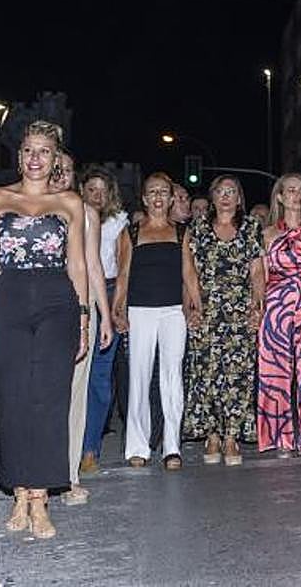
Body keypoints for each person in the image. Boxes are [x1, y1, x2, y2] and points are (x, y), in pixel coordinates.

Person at [0, 120, 88, 539]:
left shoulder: (70, 203)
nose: (36, 158)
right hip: (7, 298)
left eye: (44, 151)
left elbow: (77, 263)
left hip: (56, 300)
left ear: (56, 157)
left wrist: (83, 317)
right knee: (12, 398)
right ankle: (19, 492)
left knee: (48, 396)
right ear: (19, 154)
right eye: (28, 150)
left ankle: (40, 497)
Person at [184, 175, 264, 467]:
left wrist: (257, 306)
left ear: (239, 198)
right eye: (220, 191)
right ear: (212, 197)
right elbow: (189, 270)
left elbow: (257, 271)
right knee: (206, 374)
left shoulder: (251, 227)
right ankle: (212, 435)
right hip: (207, 309)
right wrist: (194, 305)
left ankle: (231, 436)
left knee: (237, 375)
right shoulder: (198, 228)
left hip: (239, 313)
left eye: (232, 191)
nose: (226, 196)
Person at [50, 150, 114, 505]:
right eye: (54, 169)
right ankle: (38, 475)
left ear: (75, 176)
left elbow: (93, 268)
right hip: (40, 308)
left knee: (75, 395)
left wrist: (103, 314)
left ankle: (69, 475)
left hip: (79, 310)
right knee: (42, 396)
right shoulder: (28, 208)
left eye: (67, 170)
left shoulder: (87, 213)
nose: (60, 175)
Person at [117, 173, 188, 470]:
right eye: (152, 192)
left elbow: (189, 275)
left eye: (164, 192)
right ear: (144, 199)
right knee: (139, 376)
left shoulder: (183, 232)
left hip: (174, 311)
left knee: (172, 378)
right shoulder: (130, 233)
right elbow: (122, 276)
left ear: (171, 198)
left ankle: (172, 447)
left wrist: (194, 306)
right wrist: (116, 310)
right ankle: (138, 446)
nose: (158, 197)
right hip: (140, 310)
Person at [258, 174, 301, 459]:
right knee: (275, 371)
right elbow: (259, 274)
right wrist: (257, 305)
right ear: (280, 196)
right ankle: (282, 438)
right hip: (275, 304)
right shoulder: (266, 233)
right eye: (291, 190)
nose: (297, 195)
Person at [79, 165, 129, 473]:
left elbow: (124, 269)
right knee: (73, 378)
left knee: (99, 377)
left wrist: (116, 307)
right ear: (81, 190)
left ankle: (90, 449)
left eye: (103, 190)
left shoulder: (119, 222)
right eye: (91, 189)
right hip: (75, 294)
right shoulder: (71, 216)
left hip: (108, 292)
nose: (97, 196)